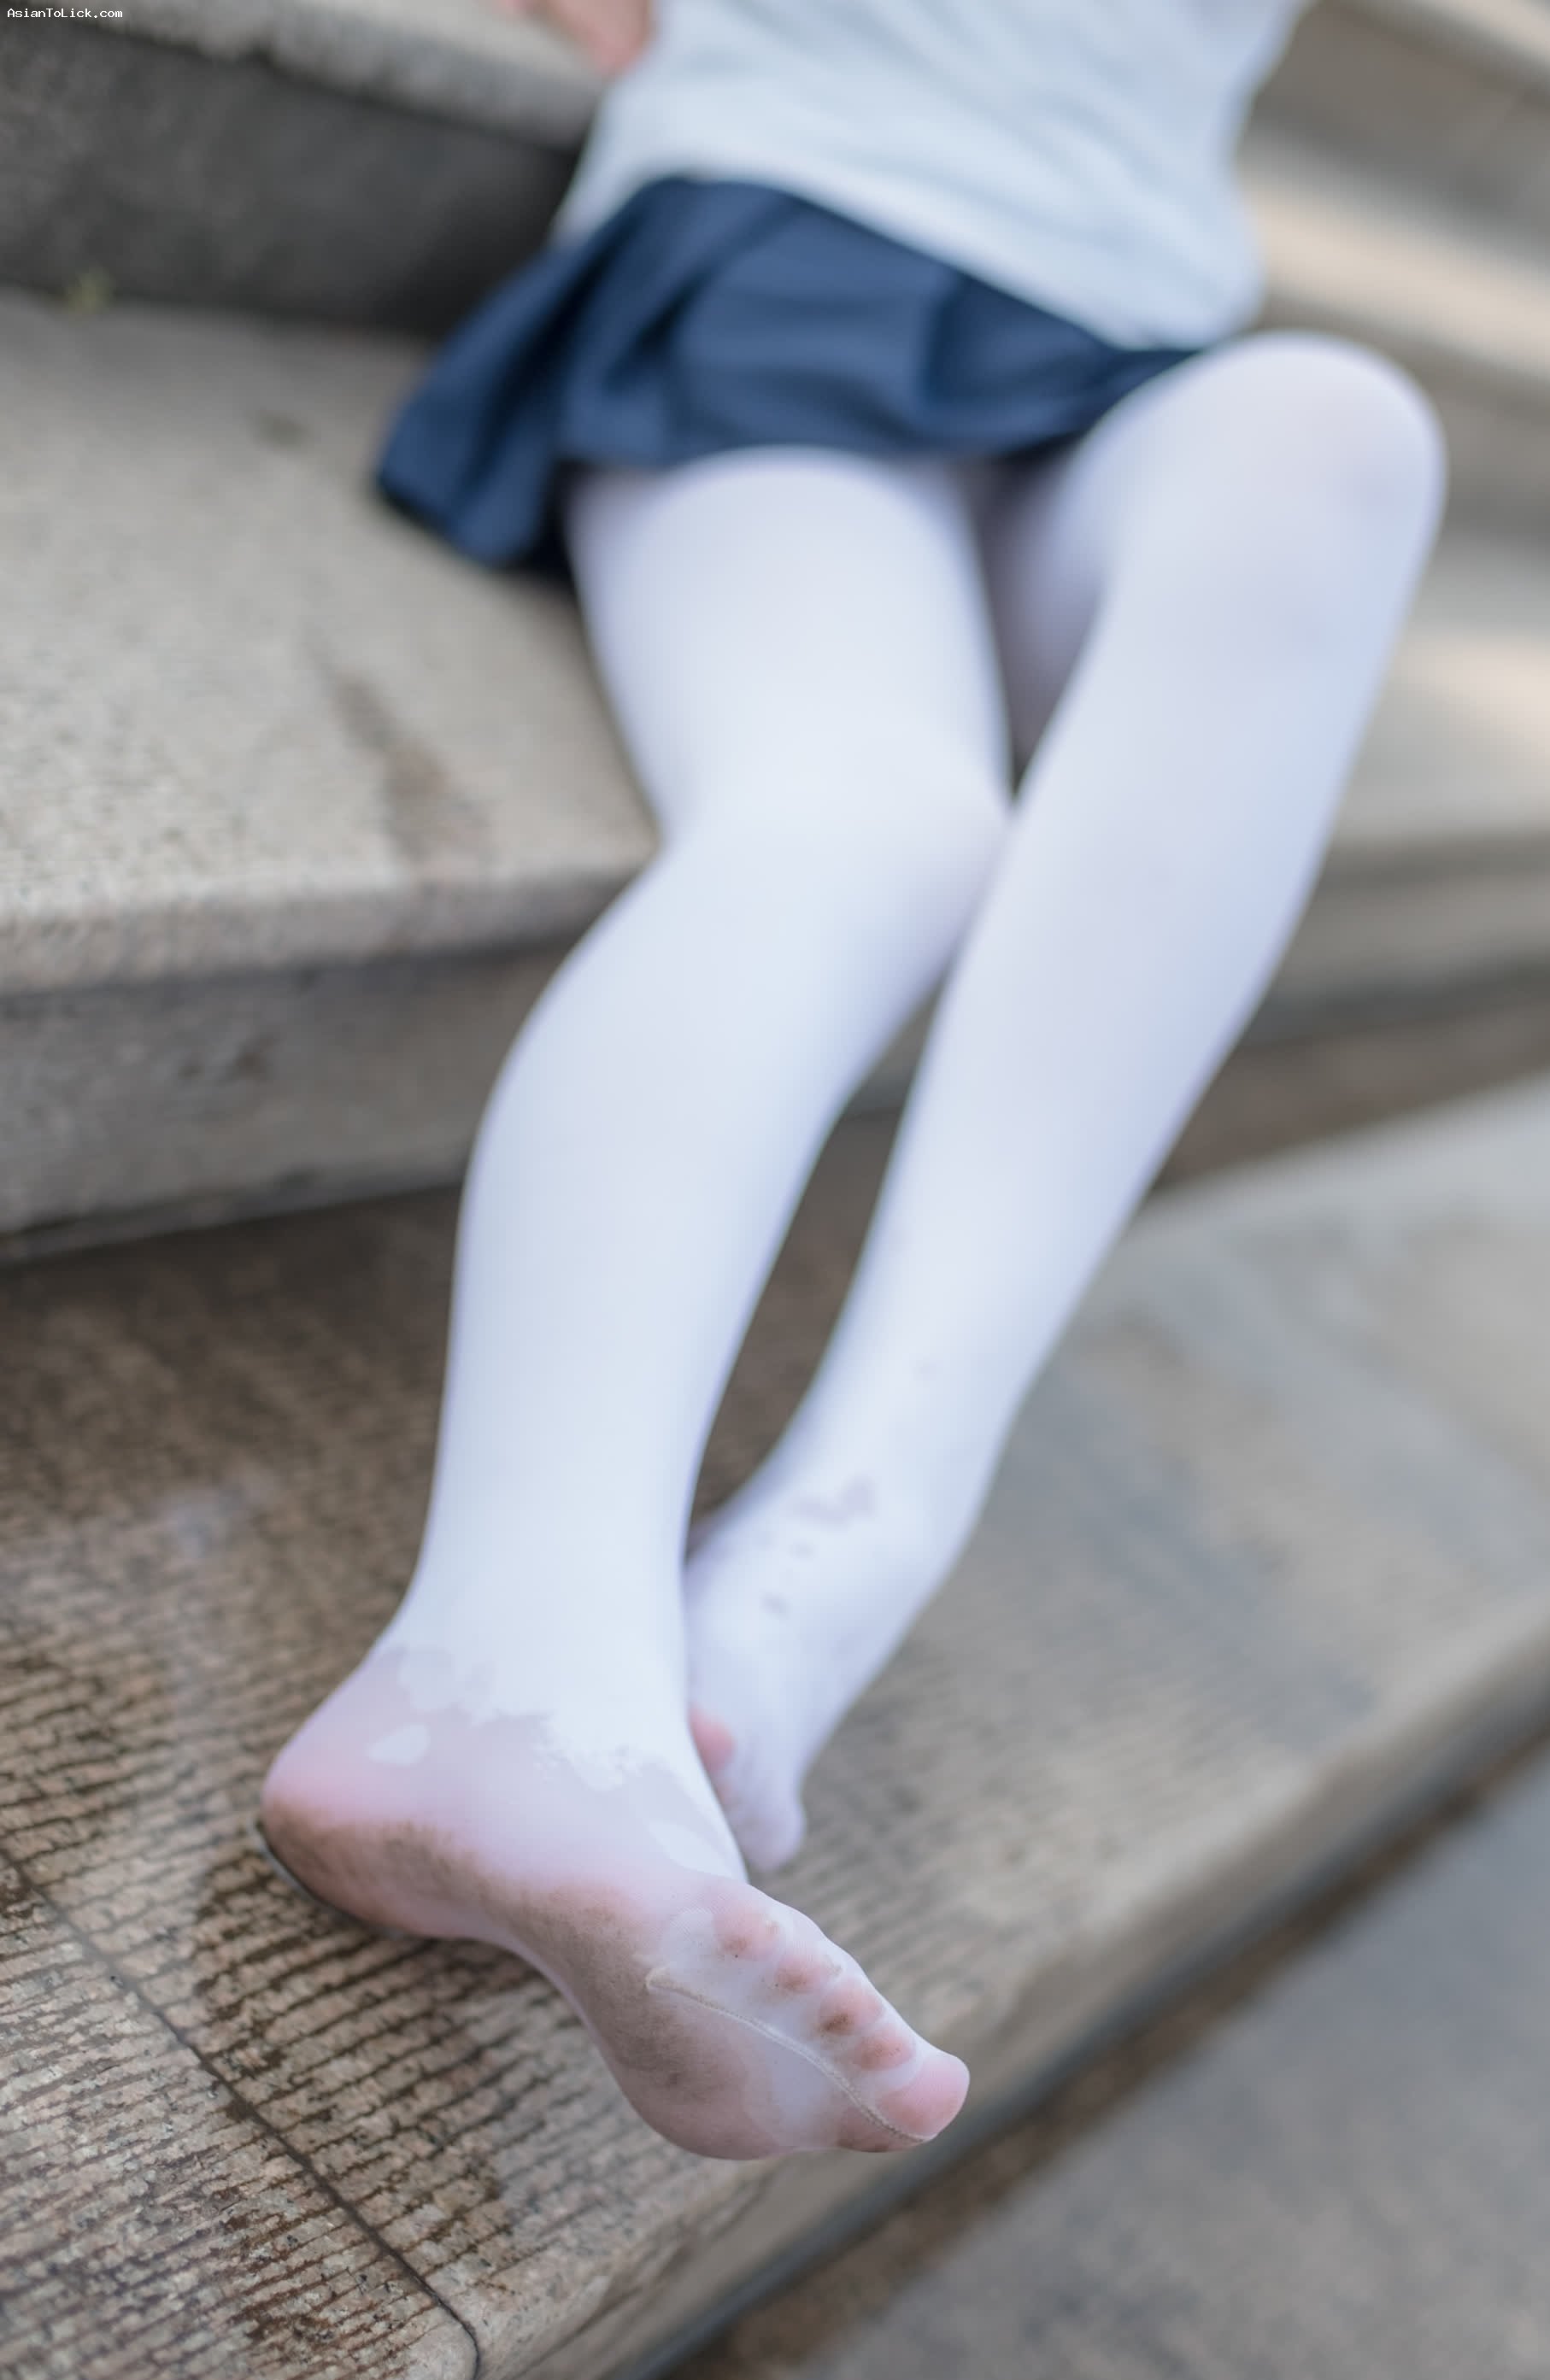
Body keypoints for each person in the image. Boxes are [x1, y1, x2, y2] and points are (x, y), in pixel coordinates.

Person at [258, 0, 1446, 2165]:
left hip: (1125, 361)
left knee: (1342, 432)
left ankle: (838, 1549)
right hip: (793, 259)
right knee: (873, 823)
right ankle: (504, 1664)